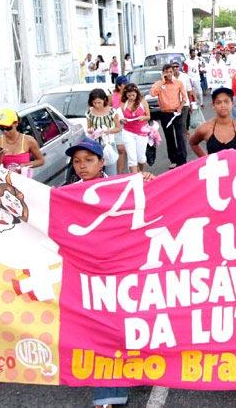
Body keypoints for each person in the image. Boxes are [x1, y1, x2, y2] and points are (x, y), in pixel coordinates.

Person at [61, 139, 152, 407]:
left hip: (124, 270)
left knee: (129, 324)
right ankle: (108, 396)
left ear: (102, 162)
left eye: (89, 160)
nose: (82, 166)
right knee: (101, 331)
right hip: (88, 275)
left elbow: (155, 201)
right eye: (77, 161)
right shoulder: (67, 194)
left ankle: (140, 367)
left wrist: (149, 180)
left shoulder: (121, 187)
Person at [189, 87, 236, 157]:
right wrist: (205, 159)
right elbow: (193, 143)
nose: (223, 105)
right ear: (213, 105)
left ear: (232, 104)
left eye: (226, 101)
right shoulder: (205, 128)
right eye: (218, 102)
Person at [150, 64, 188, 168]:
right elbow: (152, 93)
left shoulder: (178, 83)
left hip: (177, 112)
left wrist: (180, 107)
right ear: (163, 73)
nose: (169, 74)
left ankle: (182, 160)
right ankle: (173, 159)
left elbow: (184, 97)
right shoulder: (159, 84)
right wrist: (162, 81)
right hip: (165, 113)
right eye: (166, 72)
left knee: (180, 136)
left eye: (170, 72)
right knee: (169, 137)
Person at [0, 109, 45, 173]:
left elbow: (41, 161)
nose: (5, 131)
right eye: (1, 128)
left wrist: (25, 165)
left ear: (16, 123)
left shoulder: (29, 140)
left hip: (22, 178)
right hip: (5, 178)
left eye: (8, 128)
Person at [86, 88, 122, 174]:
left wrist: (107, 131)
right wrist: (90, 130)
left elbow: (118, 128)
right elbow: (89, 128)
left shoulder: (112, 111)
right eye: (94, 103)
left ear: (104, 100)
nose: (97, 105)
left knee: (111, 172)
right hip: (95, 145)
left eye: (99, 102)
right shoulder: (89, 112)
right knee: (96, 172)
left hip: (109, 143)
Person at [118, 83, 151, 173]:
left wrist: (143, 117)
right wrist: (122, 120)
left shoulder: (142, 102)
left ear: (137, 93)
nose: (131, 97)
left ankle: (142, 172)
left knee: (141, 158)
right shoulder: (123, 104)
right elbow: (119, 118)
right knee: (132, 158)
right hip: (128, 132)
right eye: (129, 95)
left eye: (133, 95)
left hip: (141, 132)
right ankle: (134, 177)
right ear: (126, 95)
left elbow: (148, 116)